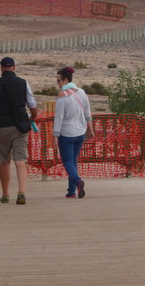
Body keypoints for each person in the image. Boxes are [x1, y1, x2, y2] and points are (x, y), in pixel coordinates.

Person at [0, 57, 38, 205]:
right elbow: (32, 104)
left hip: (1, 127)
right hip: (20, 126)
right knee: (20, 160)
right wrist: (33, 117)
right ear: (14, 67)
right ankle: (21, 192)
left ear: (1, 68)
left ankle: (5, 194)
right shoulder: (23, 83)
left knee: (4, 160)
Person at [53, 67, 94, 198]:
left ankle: (77, 181)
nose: (57, 83)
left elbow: (58, 118)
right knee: (73, 161)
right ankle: (71, 191)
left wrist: (55, 135)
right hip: (80, 132)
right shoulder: (82, 92)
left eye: (58, 80)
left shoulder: (62, 96)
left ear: (65, 80)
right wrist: (91, 129)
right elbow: (88, 113)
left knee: (67, 162)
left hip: (66, 133)